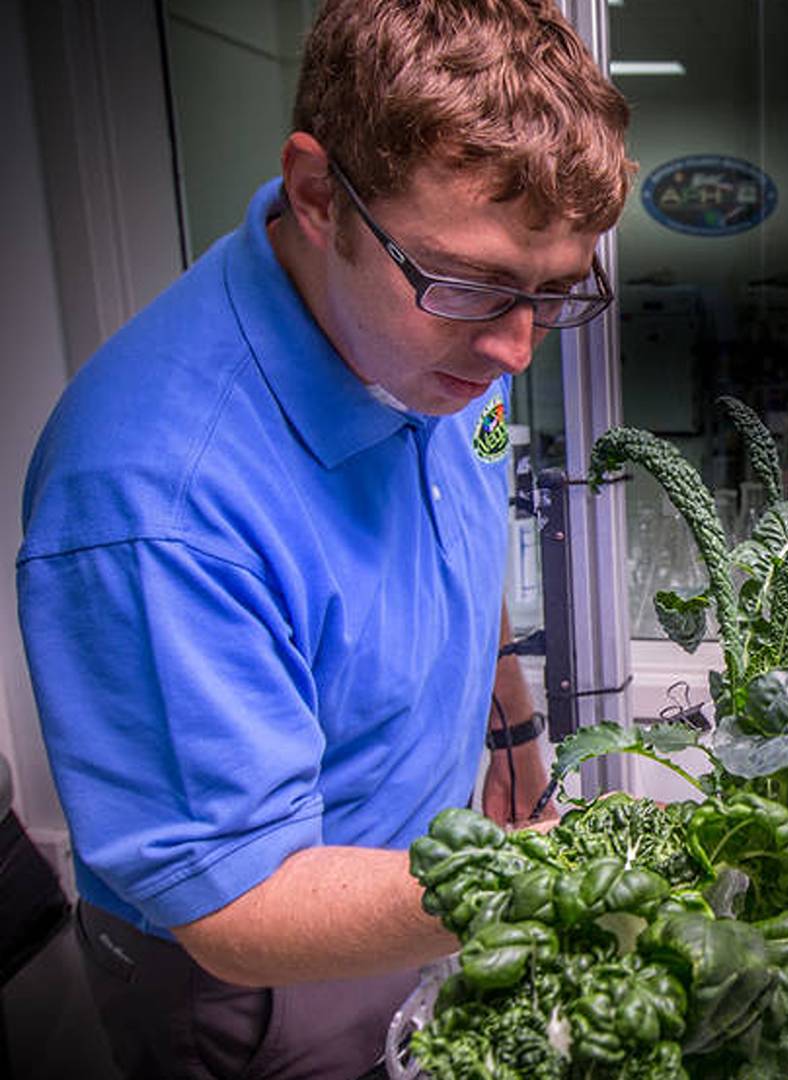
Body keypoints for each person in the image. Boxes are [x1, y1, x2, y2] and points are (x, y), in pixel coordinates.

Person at [14, 1, 632, 1075]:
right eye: (471, 283)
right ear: (315, 197)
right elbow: (234, 900)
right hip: (257, 986)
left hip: (427, 887)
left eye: (554, 291)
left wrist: (511, 736)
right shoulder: (155, 502)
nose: (515, 348)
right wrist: (555, 877)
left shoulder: (422, 341)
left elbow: (452, 538)